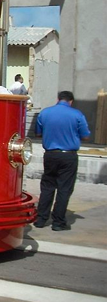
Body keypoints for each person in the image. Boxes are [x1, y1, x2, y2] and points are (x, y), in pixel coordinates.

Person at [34, 91, 90, 231]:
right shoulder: (77, 114)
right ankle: (58, 223)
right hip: (68, 156)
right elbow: (86, 136)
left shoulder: (45, 113)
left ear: (58, 99)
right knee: (64, 188)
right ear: (71, 101)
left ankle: (41, 219)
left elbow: (38, 133)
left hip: (50, 154)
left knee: (47, 186)